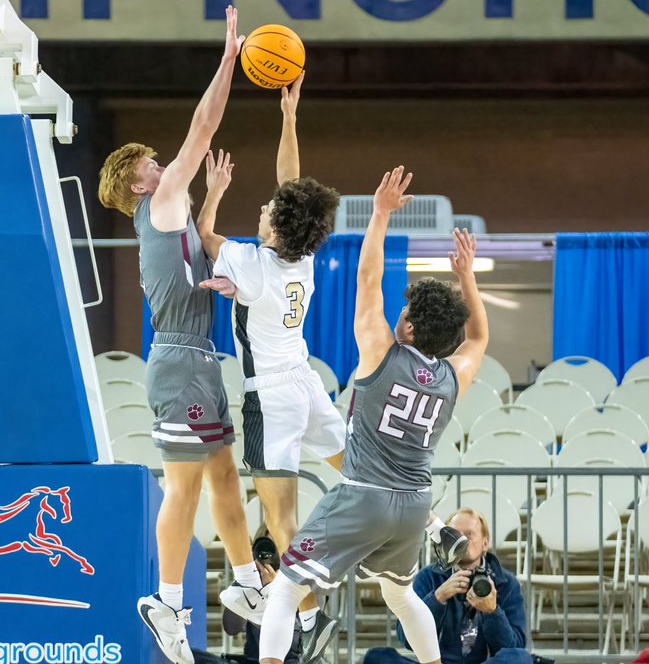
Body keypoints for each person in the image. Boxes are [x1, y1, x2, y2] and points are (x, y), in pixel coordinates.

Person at [196, 80, 468, 646]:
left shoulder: (249, 261)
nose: (265, 205)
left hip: (269, 395)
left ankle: (308, 614)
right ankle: (437, 526)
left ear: (275, 228)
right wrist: (289, 117)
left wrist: (215, 190)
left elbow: (202, 233)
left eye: (268, 209)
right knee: (359, 467)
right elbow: (292, 187)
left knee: (283, 521)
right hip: (308, 383)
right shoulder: (304, 257)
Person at [259, 166, 489, 664]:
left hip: (363, 496)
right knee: (400, 595)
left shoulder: (381, 352)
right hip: (413, 506)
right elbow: (479, 339)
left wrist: (381, 214)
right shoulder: (454, 378)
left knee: (283, 589)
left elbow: (368, 278)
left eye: (404, 311)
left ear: (407, 325)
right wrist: (467, 278)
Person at [97, 6, 259, 664]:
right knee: (184, 485)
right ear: (140, 178)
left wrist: (215, 195)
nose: (167, 163)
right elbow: (204, 124)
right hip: (179, 363)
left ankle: (246, 583)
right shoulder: (157, 203)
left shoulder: (172, 217)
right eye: (156, 162)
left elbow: (197, 254)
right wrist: (227, 59)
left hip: (198, 358)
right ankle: (167, 598)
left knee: (224, 477)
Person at [364, 508, 529, 664]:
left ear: (485, 543)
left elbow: (514, 647)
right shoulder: (428, 577)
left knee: (520, 658)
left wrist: (492, 612)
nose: (462, 540)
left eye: (469, 534)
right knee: (377, 657)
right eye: (455, 535)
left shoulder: (506, 583)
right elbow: (407, 640)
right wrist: (437, 598)